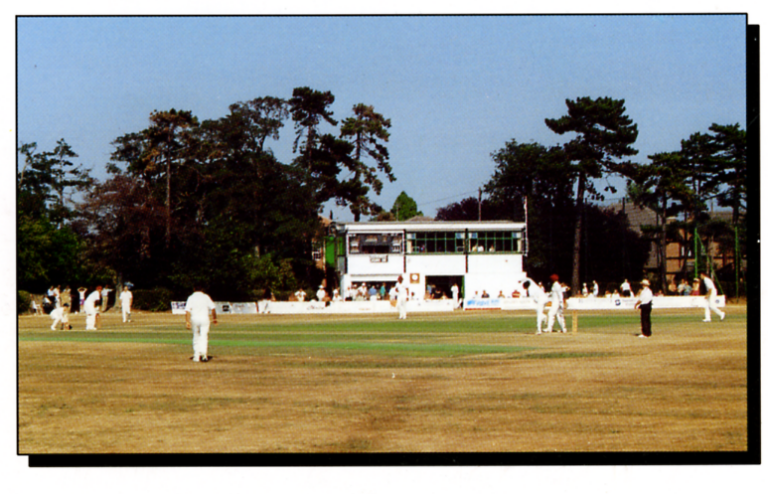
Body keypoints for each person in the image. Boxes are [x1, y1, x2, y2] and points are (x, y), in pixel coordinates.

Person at [184, 285, 218, 362]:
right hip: (204, 319)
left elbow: (187, 310)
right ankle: (204, 355)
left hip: (195, 319)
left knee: (196, 336)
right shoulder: (206, 297)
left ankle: (196, 356)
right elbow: (213, 308)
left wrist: (187, 321)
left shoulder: (191, 297)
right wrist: (214, 319)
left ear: (194, 289)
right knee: (204, 336)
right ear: (202, 289)